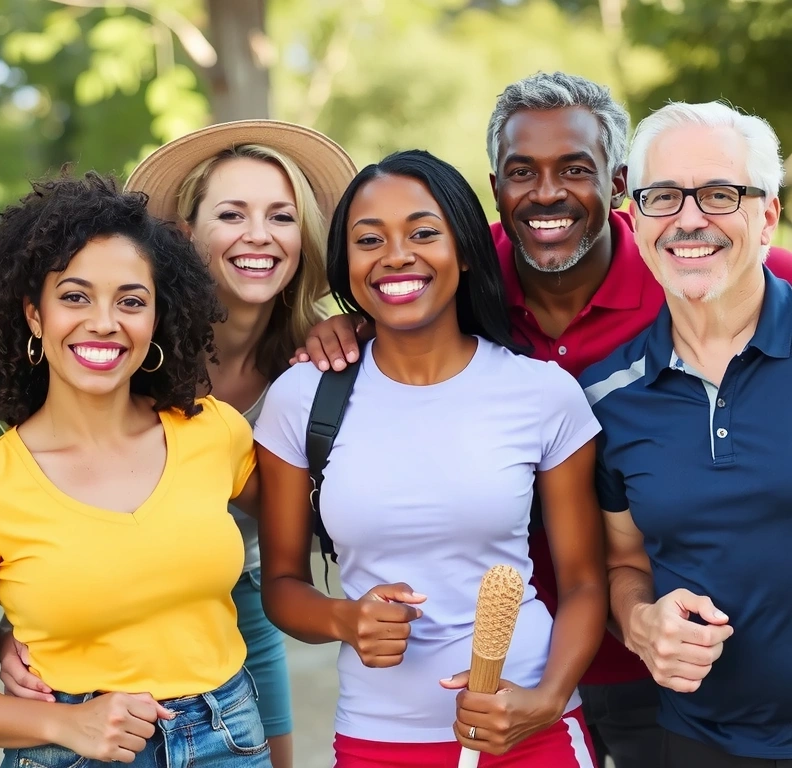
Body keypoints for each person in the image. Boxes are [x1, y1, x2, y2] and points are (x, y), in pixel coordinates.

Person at [291, 71, 792, 768]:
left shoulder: (691, 264)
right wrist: (345, 327)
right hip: (517, 671)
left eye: (575, 169)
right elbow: (398, 291)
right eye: (523, 172)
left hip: (675, 673)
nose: (548, 192)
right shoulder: (462, 277)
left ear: (617, 183)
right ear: (496, 189)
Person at [0, 119, 357, 768]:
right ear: (185, 234)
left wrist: (363, 325)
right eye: (232, 214)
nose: (258, 234)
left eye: (281, 216)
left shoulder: (319, 356)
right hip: (94, 602)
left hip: (239, 590)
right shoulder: (124, 336)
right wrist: (23, 624)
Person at [0, 171, 270, 768]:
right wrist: (66, 721)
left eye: (131, 300)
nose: (104, 322)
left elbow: (317, 522)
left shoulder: (216, 432)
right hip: (69, 751)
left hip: (228, 737)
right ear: (34, 315)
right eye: (75, 297)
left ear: (157, 319)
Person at [253, 149, 607, 767]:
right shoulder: (302, 397)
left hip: (529, 732)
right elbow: (282, 586)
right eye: (370, 239)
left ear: (465, 250)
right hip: (377, 740)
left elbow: (582, 581)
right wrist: (345, 619)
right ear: (348, 264)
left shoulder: (542, 392)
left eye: (423, 233)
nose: (396, 255)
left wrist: (546, 701)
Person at [580, 102, 792, 768]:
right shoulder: (608, 398)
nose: (690, 219)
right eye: (663, 197)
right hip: (698, 743)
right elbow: (625, 562)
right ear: (637, 221)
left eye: (720, 193)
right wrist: (641, 623)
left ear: (767, 216)